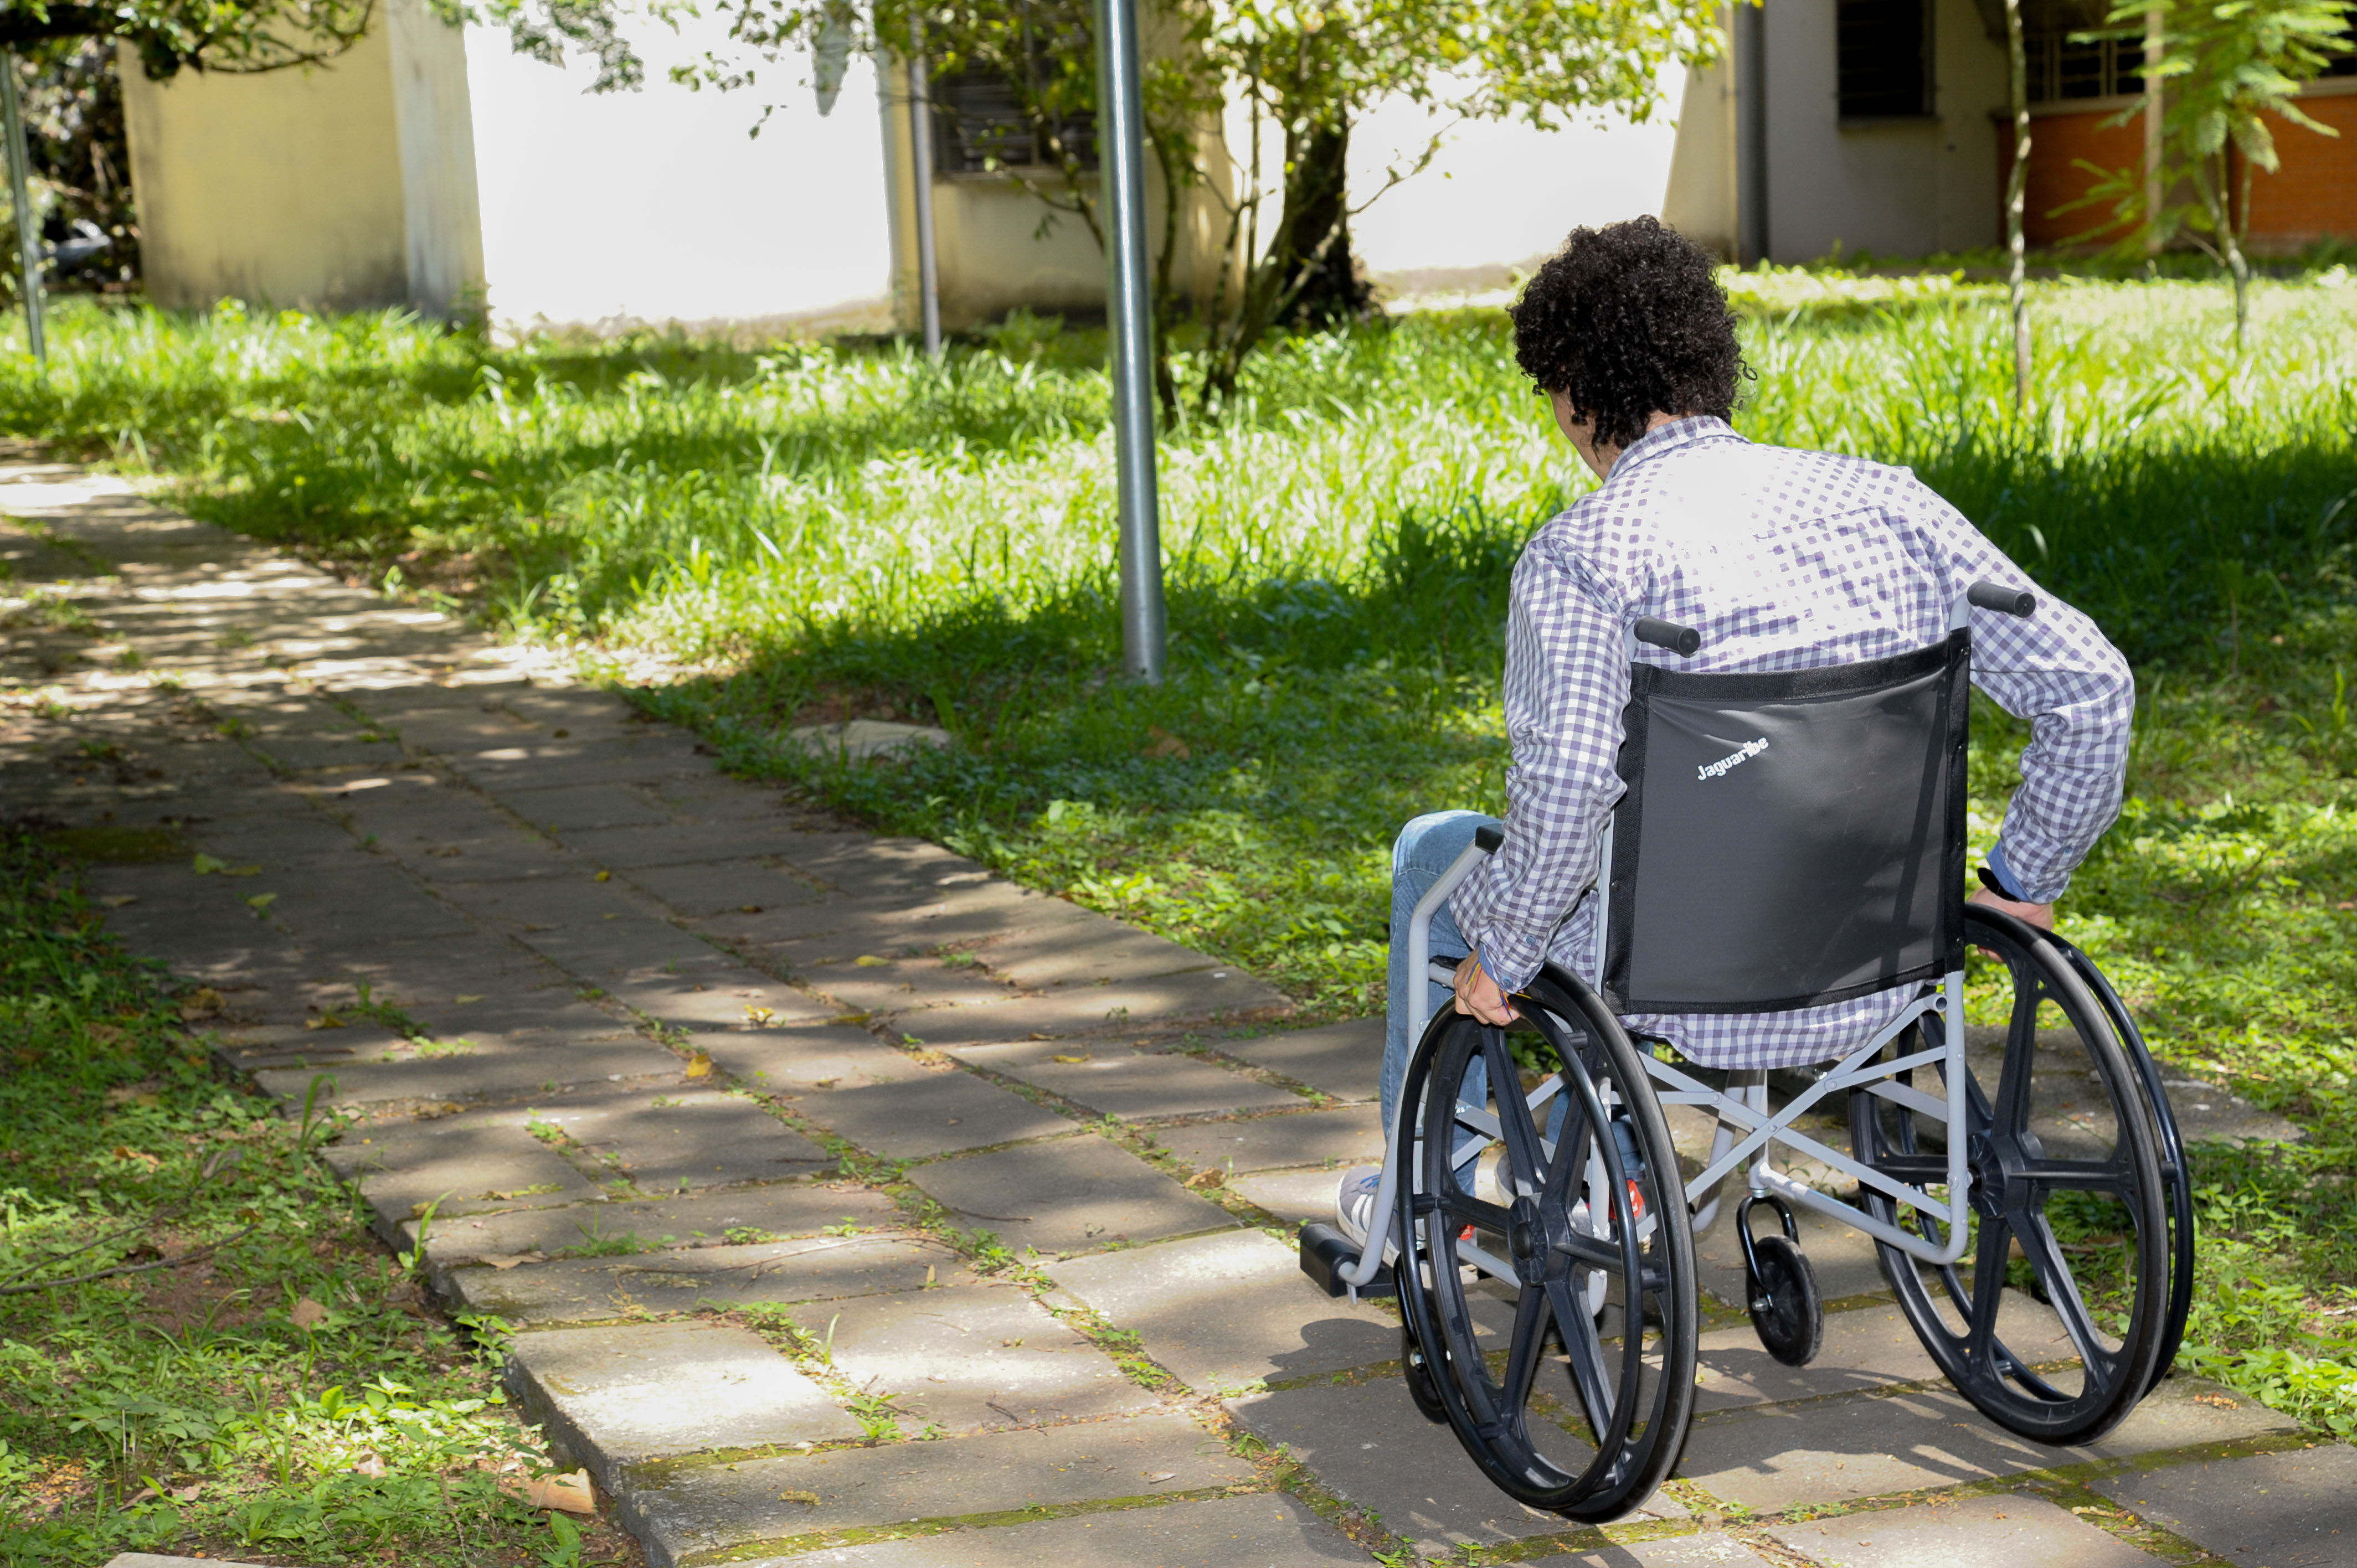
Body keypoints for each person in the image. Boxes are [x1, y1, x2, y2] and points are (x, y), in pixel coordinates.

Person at [1334, 216, 2134, 1255]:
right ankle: (1612, 1176)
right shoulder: (1890, 504)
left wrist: (1504, 952)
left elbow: (1574, 783)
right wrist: (2024, 875)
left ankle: (1421, 1199)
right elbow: (2092, 687)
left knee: (1437, 851)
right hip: (1881, 971)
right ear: (1709, 360)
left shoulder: (1584, 555)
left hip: (1678, 988)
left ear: (1577, 397)